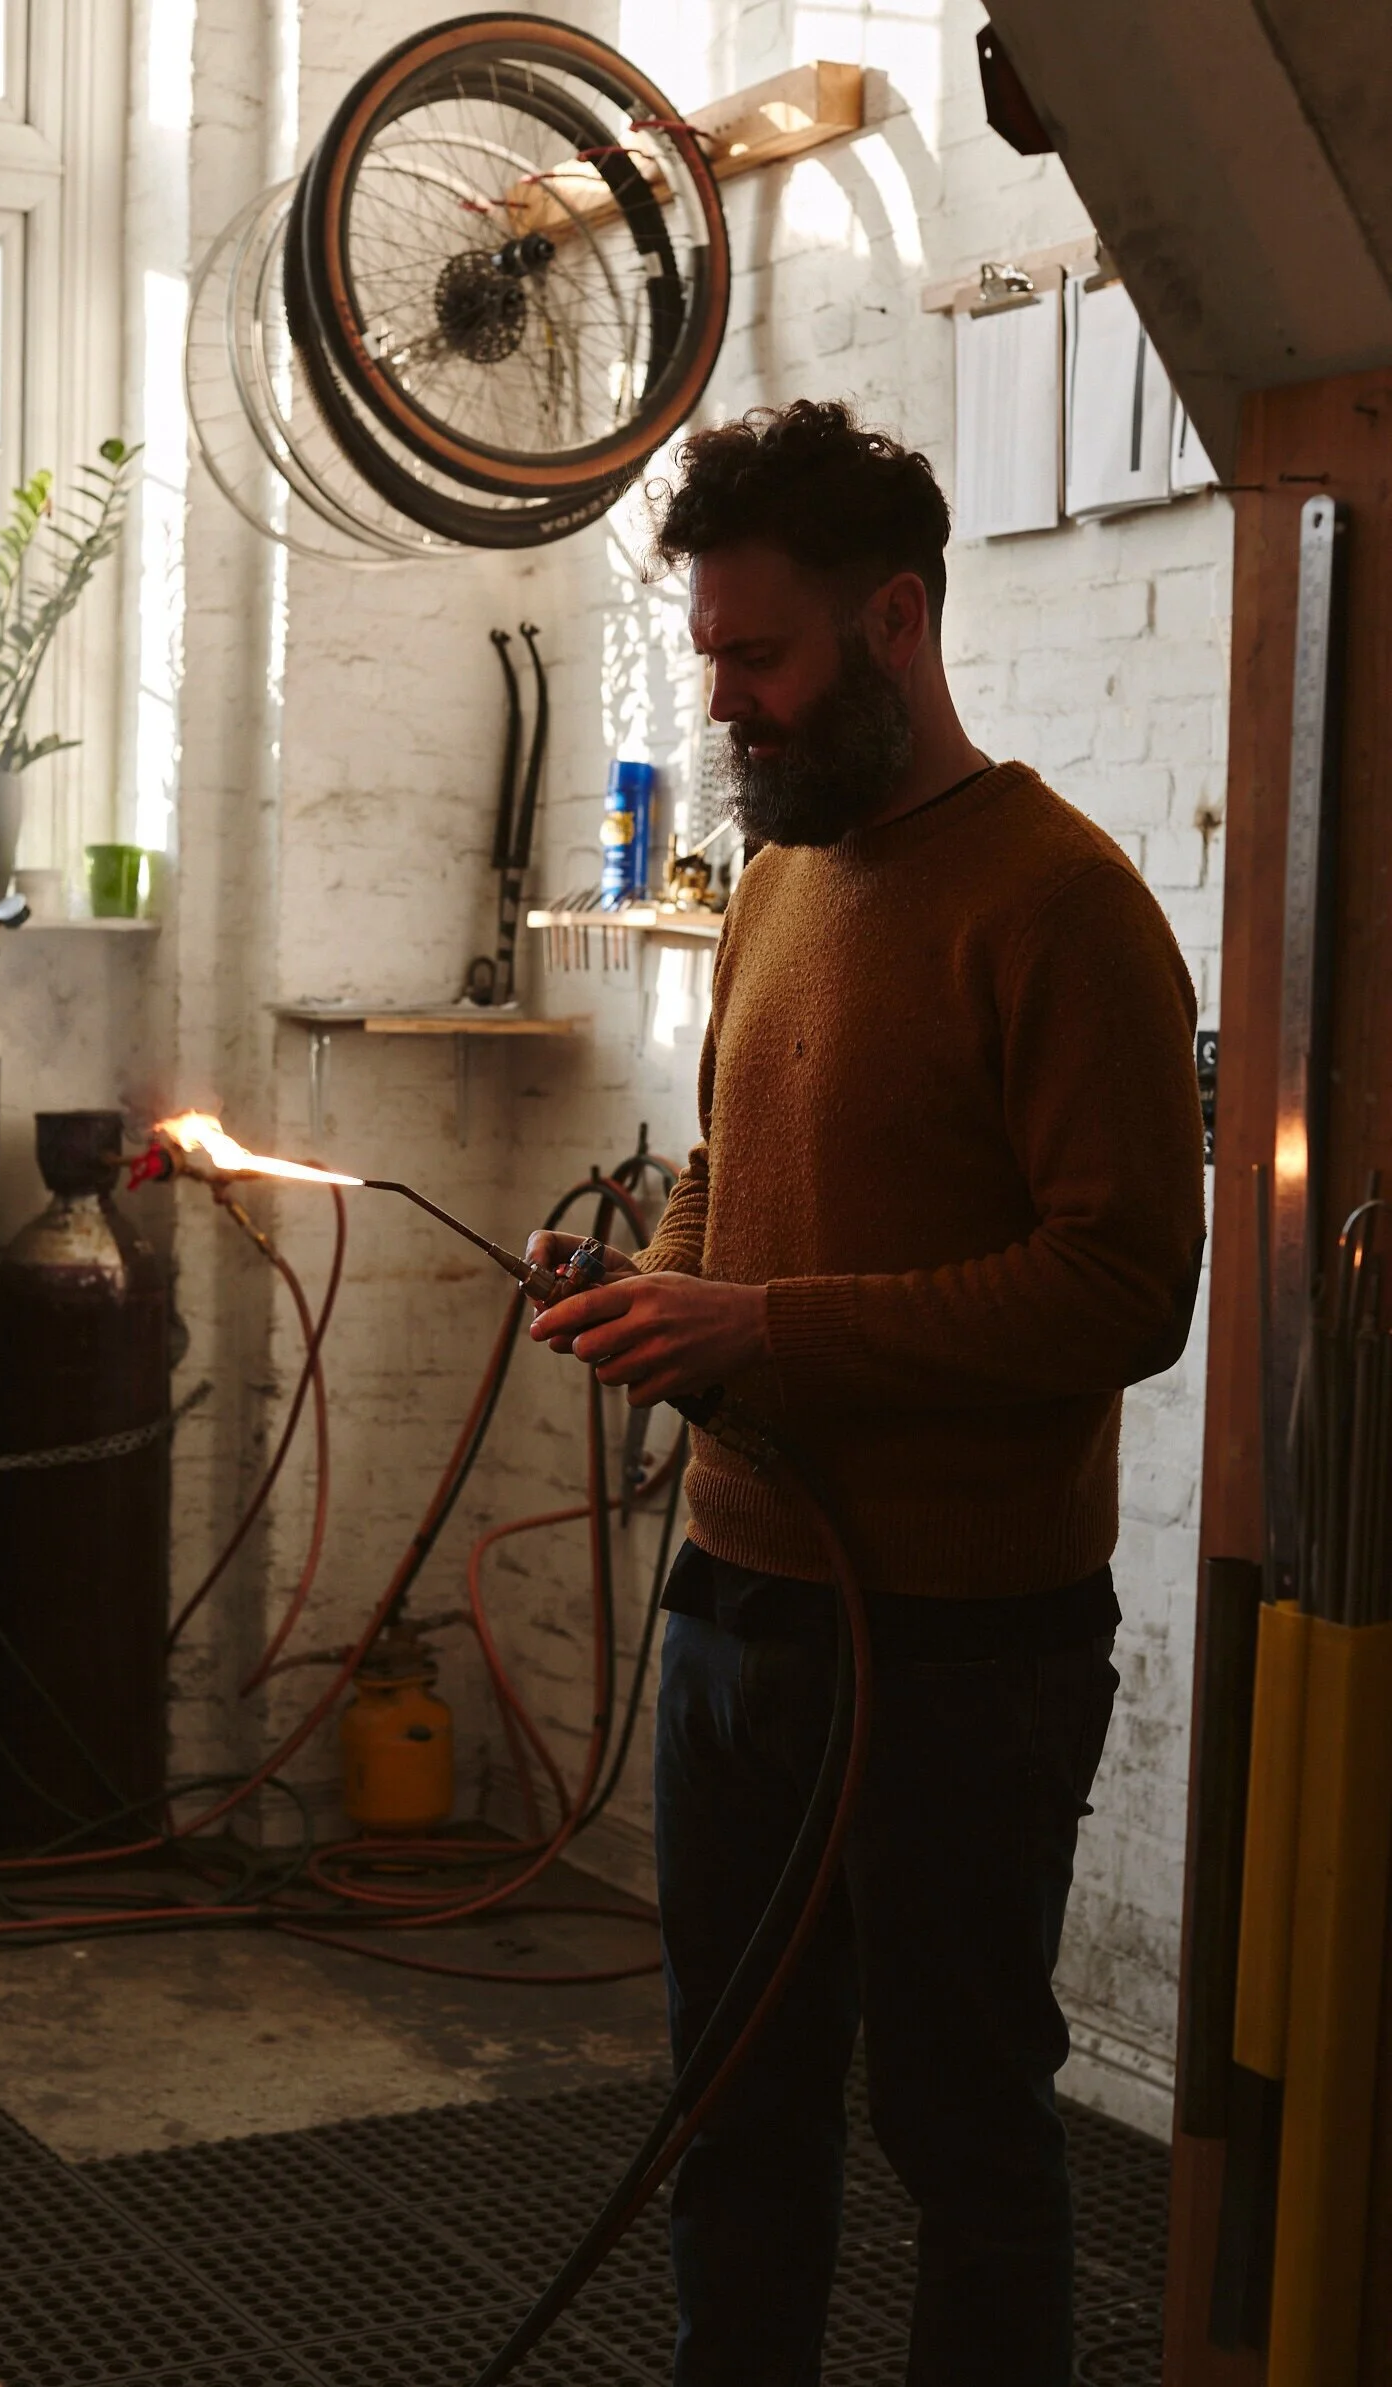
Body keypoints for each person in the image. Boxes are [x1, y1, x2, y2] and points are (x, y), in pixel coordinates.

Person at [524, 401, 1206, 2387]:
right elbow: (729, 1190)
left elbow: (1122, 1285)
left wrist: (765, 1331)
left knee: (956, 2125)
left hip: (958, 1645)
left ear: (894, 619)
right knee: (730, 2108)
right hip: (739, 1608)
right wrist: (648, 1290)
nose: (723, 701)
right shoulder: (771, 885)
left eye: (758, 655)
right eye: (710, 654)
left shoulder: (1061, 905)